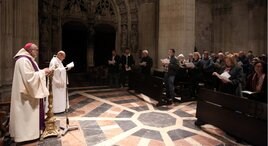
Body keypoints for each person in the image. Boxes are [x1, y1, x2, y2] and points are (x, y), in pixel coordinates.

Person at [9, 43, 51, 143]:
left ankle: (32, 133)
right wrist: (43, 72)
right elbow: (29, 78)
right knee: (26, 116)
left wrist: (42, 72)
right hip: (26, 96)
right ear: (29, 50)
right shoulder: (24, 60)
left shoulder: (29, 60)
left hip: (28, 94)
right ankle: (26, 136)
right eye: (35, 50)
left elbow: (33, 74)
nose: (37, 52)